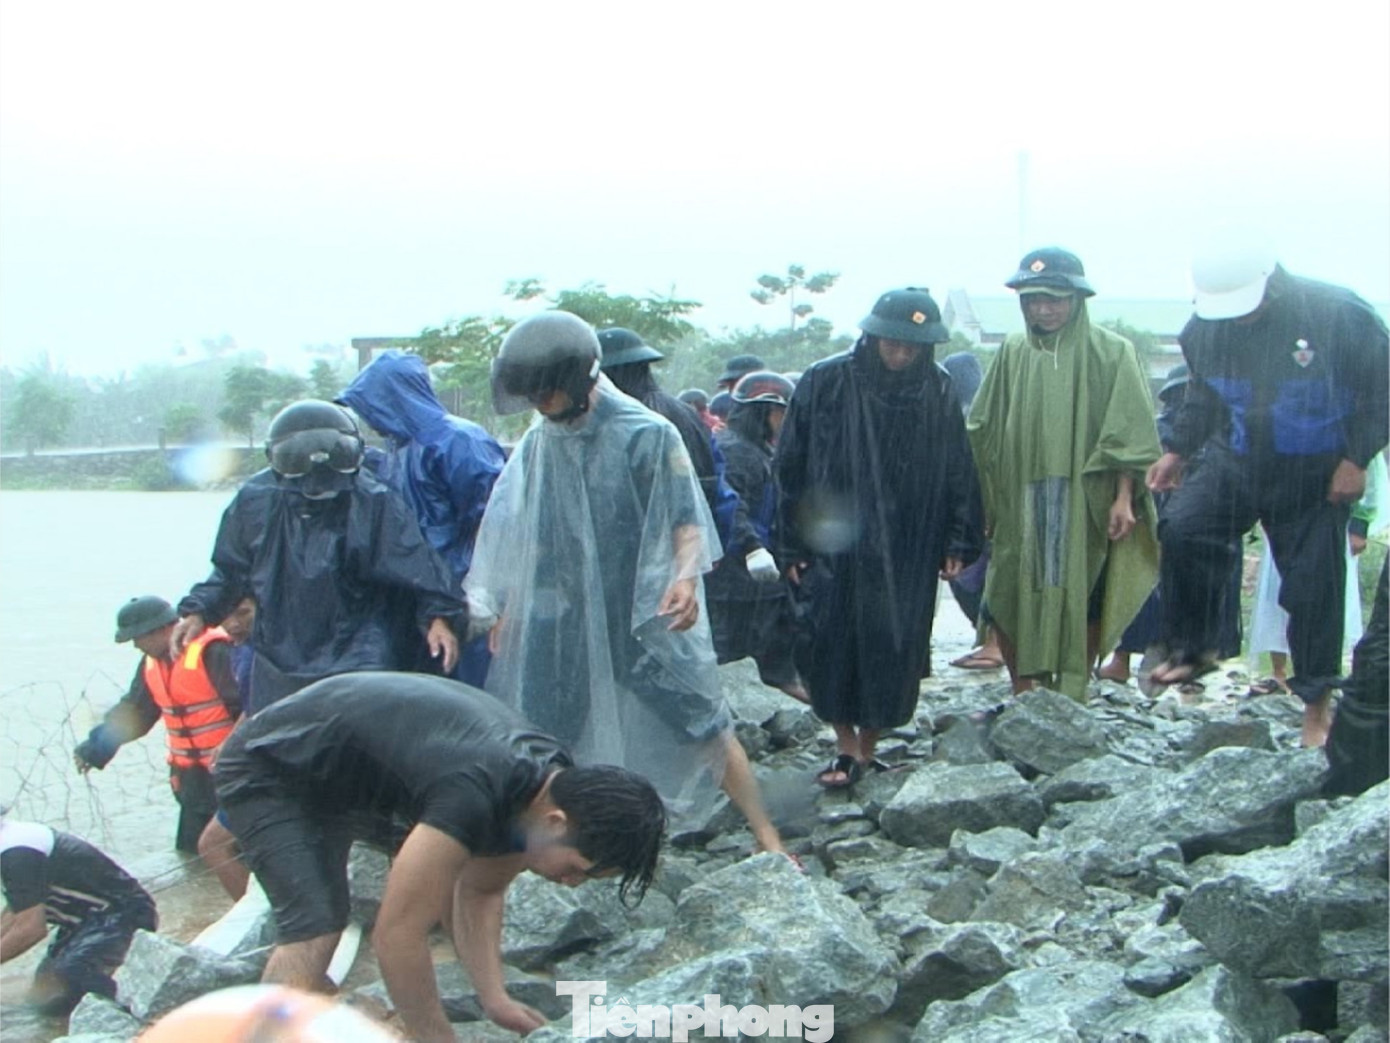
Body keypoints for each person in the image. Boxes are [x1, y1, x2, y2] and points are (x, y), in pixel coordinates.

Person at [465, 311, 788, 856]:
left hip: (641, 606)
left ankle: (768, 835)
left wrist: (684, 579)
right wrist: (509, 604)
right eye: (532, 395)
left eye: (546, 392)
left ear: (578, 380)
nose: (540, 405)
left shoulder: (647, 434)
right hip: (563, 608)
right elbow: (525, 532)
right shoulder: (541, 442)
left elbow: (685, 518)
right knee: (543, 731)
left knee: (701, 718)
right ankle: (541, 845)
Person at [214, 672, 665, 1043]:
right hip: (272, 765)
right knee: (317, 923)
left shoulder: (547, 786)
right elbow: (396, 936)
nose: (571, 884)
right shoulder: (474, 791)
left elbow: (481, 890)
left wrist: (495, 999)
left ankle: (309, 1014)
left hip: (349, 778)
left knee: (363, 901)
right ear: (556, 822)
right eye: (576, 870)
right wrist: (435, 1036)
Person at [1147, 238, 1389, 746]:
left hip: (1314, 469)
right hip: (1238, 458)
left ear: (1271, 284)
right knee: (1185, 527)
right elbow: (1204, 395)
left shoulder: (1339, 315)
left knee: (1313, 586)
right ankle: (1196, 647)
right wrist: (1177, 450)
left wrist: (1356, 458)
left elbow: (1382, 390)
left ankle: (1316, 707)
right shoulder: (1203, 330)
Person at [775, 288, 982, 788]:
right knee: (829, 639)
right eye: (893, 343)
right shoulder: (826, 381)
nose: (901, 354)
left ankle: (868, 747)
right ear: (872, 337)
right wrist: (791, 543)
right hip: (833, 539)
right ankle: (844, 746)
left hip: (909, 540)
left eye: (913, 346)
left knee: (895, 642)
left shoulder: (936, 387)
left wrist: (958, 539)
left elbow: (958, 467)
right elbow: (790, 465)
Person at [171, 400, 464, 714]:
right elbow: (230, 570)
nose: (316, 481)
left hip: (360, 651)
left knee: (359, 737)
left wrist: (439, 618)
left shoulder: (373, 501)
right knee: (281, 736)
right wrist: (198, 612)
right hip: (280, 655)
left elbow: (417, 566)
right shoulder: (255, 502)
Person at [968, 248, 1161, 699]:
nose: (1044, 309)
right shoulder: (1014, 350)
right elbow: (984, 427)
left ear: (1076, 299)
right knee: (1011, 588)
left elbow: (1128, 430)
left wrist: (1123, 498)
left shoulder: (1112, 352)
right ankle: (1023, 690)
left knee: (1084, 588)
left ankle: (1072, 689)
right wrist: (986, 498)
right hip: (1022, 494)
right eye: (1033, 299)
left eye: (1054, 299)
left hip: (1086, 496)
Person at [337, 350, 506, 687]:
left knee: (478, 692)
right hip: (426, 600)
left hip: (469, 597)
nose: (367, 418)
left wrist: (495, 597)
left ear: (392, 399)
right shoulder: (397, 451)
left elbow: (497, 521)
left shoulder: (458, 440)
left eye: (371, 406)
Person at [74, 595, 242, 883]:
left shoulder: (214, 652)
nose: (136, 645)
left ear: (162, 629)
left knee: (233, 850)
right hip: (191, 780)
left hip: (231, 771)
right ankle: (201, 903)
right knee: (193, 859)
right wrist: (96, 748)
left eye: (137, 638)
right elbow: (134, 714)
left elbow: (250, 707)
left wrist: (237, 751)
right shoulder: (151, 664)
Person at [598, 327, 753, 555]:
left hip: (654, 545)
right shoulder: (682, 411)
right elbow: (715, 479)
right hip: (693, 541)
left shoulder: (637, 420)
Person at [707, 370, 808, 704]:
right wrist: (752, 547)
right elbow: (730, 507)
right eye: (782, 414)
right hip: (734, 575)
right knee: (733, 651)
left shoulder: (758, 450)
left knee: (772, 643)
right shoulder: (734, 451)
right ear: (765, 412)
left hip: (761, 573)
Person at [1, 815, 157, 1015]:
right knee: (43, 995)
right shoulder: (10, 843)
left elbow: (31, 929)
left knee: (70, 978)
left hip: (124, 915)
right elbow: (17, 910)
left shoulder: (17, 854)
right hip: (84, 923)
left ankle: (134, 1013)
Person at [937, 351, 1002, 671]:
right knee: (975, 578)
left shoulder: (964, 416)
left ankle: (993, 644)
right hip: (981, 513)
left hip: (978, 514)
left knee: (974, 579)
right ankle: (990, 642)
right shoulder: (991, 411)